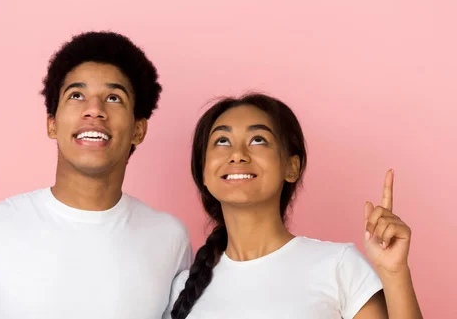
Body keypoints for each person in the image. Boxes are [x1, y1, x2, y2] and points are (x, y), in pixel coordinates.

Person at [0, 31, 192, 319]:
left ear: (138, 129)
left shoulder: (169, 239)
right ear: (52, 124)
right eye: (76, 96)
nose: (94, 109)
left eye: (114, 98)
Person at [166, 93, 422, 319]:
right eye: (222, 141)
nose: (237, 154)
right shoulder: (183, 289)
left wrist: (395, 272)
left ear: (292, 167)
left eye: (258, 140)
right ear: (203, 172)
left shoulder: (338, 265)